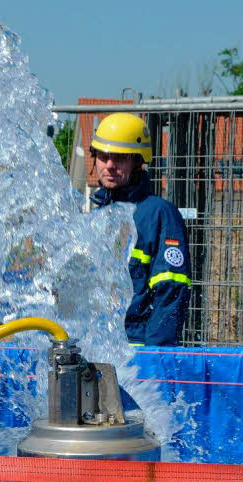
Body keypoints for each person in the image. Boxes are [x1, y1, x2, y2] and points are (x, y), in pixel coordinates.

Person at [89, 112, 191, 346]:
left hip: (138, 353)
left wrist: (153, 359)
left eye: (120, 158)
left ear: (137, 161)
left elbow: (171, 290)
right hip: (98, 349)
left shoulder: (159, 214)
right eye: (104, 157)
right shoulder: (95, 218)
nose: (110, 166)